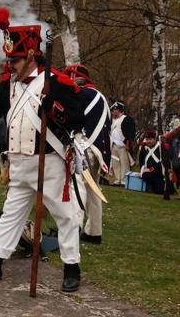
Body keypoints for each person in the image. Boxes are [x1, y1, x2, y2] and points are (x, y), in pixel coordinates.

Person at [0, 8, 85, 292]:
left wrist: (53, 108)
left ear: (31, 56)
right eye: (8, 59)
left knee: (65, 215)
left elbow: (77, 118)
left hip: (49, 162)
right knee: (11, 216)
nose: (10, 64)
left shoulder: (55, 82)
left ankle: (72, 267)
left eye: (15, 59)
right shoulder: (10, 84)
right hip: (19, 163)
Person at [65, 64, 111, 245]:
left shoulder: (81, 95)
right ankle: (94, 232)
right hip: (100, 150)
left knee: (77, 187)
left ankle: (74, 228)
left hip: (84, 147)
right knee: (93, 190)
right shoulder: (100, 96)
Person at [109, 100, 136, 186]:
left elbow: (130, 133)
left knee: (124, 164)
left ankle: (124, 180)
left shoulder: (126, 119)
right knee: (116, 163)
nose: (113, 112)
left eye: (114, 110)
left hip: (123, 145)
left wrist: (128, 144)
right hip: (114, 145)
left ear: (118, 110)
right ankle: (118, 179)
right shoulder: (113, 121)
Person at [138, 129, 168, 194]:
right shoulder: (144, 147)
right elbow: (141, 160)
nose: (148, 141)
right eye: (147, 139)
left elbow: (162, 162)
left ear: (155, 139)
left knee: (159, 190)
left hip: (159, 173)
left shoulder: (160, 147)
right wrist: (142, 170)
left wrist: (150, 169)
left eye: (150, 139)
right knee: (145, 175)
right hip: (148, 172)